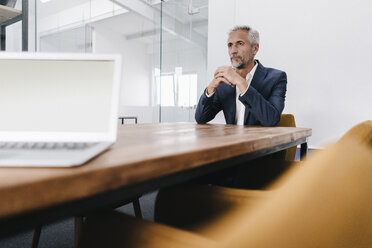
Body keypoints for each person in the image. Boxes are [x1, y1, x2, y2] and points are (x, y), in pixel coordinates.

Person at [195, 25, 287, 126]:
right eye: (230, 45)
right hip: (232, 140)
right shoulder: (224, 82)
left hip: (262, 141)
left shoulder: (276, 78)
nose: (233, 51)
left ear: (254, 49)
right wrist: (210, 89)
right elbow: (201, 118)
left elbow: (270, 119)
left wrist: (240, 82)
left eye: (240, 44)